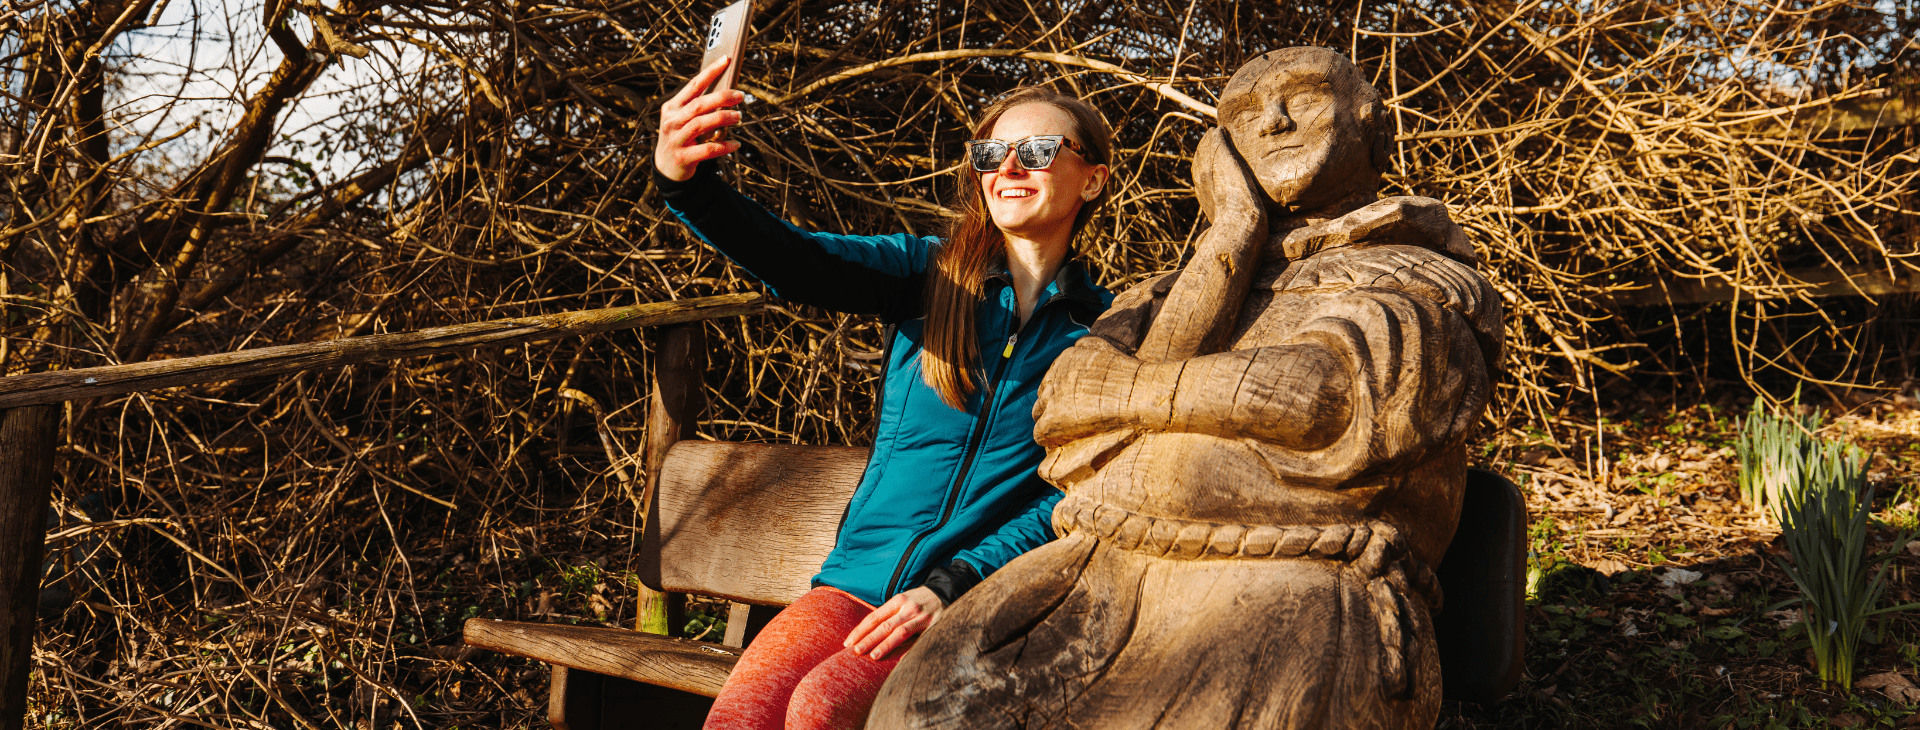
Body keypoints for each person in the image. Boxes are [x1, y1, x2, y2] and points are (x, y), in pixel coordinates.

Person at [871, 47, 1503, 730]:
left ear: (1369, 122)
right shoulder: (1170, 289)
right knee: (918, 709)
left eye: (1305, 97)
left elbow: (1333, 399)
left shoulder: (1423, 274)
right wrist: (1230, 236)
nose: (1276, 120)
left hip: (1292, 585)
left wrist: (1137, 397)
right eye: (1244, 113)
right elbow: (1063, 404)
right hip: (1094, 568)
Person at [653, 56, 1117, 730]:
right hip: (856, 585)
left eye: (1039, 150)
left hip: (979, 603)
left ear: (1093, 178)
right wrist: (687, 182)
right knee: (741, 717)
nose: (1008, 168)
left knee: (821, 710)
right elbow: (795, 259)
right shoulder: (930, 278)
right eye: (992, 152)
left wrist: (954, 583)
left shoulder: (1105, 336)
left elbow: (1074, 492)